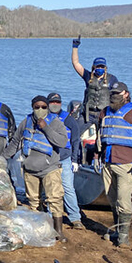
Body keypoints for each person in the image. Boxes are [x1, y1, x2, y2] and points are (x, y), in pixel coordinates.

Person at [2, 95, 70, 242]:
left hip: (50, 168)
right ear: (32, 107)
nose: (40, 109)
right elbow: (15, 142)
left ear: (48, 107)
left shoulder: (56, 122)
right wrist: (2, 158)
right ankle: (39, 228)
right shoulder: (26, 122)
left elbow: (63, 142)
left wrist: (45, 128)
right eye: (37, 107)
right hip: (30, 168)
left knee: (55, 199)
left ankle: (58, 231)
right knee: (33, 200)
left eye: (43, 107)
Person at [95, 82, 132, 247]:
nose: (114, 95)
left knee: (123, 200)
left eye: (118, 92)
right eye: (112, 92)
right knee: (112, 199)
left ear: (126, 94)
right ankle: (117, 230)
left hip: (127, 164)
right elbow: (100, 135)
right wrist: (96, 156)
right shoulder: (105, 112)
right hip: (107, 162)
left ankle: (124, 237)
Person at [47, 92, 84, 230]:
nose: (55, 104)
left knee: (68, 188)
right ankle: (51, 214)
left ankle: (75, 217)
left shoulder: (68, 119)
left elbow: (75, 140)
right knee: (51, 188)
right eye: (52, 102)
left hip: (65, 158)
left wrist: (75, 160)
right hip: (50, 158)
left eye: (57, 102)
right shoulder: (44, 118)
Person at [71, 36, 119, 125]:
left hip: (104, 114)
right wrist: (75, 48)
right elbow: (75, 63)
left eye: (102, 67)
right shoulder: (88, 76)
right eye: (98, 66)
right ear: (94, 67)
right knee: (76, 132)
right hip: (88, 114)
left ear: (105, 68)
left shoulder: (112, 79)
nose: (99, 68)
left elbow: (118, 95)